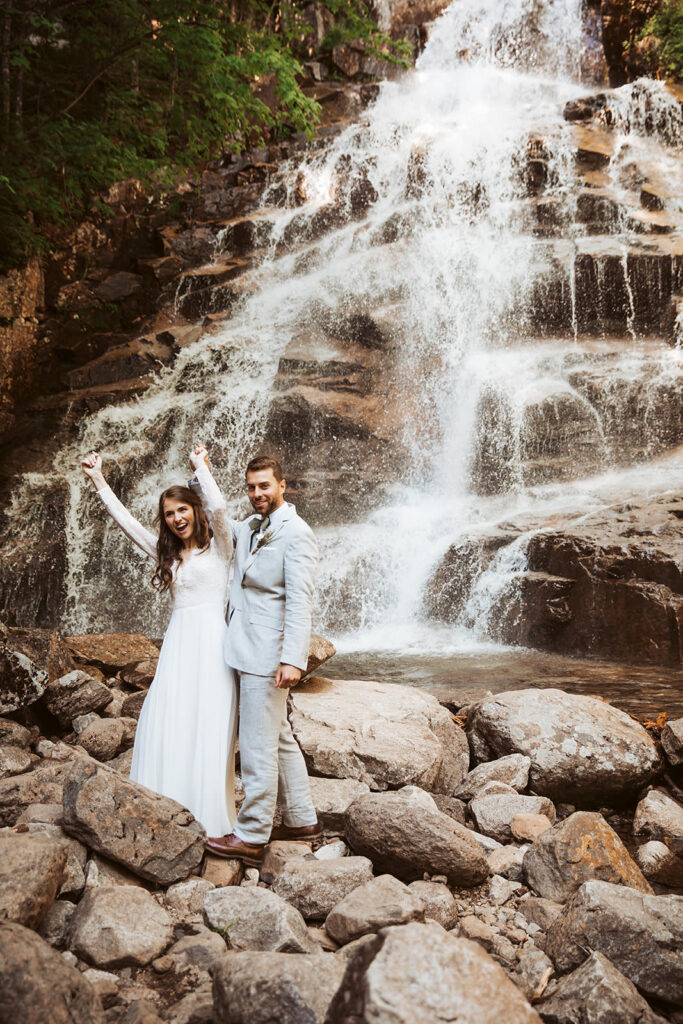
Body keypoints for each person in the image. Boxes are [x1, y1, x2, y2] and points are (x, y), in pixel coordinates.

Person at [80, 449, 237, 837]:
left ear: (194, 510)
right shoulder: (167, 555)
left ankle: (210, 817)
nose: (176, 518)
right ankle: (166, 807)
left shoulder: (221, 547)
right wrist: (98, 480)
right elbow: (128, 524)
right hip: (178, 646)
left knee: (209, 722)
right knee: (168, 718)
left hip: (214, 645)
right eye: (169, 514)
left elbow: (218, 509)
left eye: (182, 509)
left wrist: (203, 468)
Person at [191, 449, 320, 865]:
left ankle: (251, 834)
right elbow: (216, 516)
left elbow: (300, 602)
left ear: (282, 485)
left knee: (258, 744)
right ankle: (302, 820)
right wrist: (201, 473)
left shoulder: (296, 532)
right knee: (277, 735)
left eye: (264, 485)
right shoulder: (250, 527)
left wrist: (293, 659)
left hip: (268, 653)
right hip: (245, 646)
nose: (257, 493)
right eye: (251, 487)